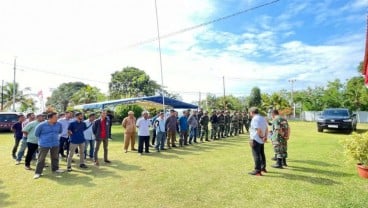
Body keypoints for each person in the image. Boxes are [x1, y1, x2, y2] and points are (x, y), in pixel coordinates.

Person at [34, 112, 64, 179]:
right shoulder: (41, 125)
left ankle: (55, 169)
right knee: (41, 159)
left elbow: (60, 131)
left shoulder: (59, 124)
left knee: (55, 157)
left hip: (55, 143)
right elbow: (36, 134)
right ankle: (38, 172)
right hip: (44, 144)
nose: (57, 118)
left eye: (57, 117)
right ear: (50, 118)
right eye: (55, 117)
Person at [248, 107, 268, 176]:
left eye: (250, 113)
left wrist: (262, 137)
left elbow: (258, 129)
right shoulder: (262, 118)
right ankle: (263, 168)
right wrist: (265, 137)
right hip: (261, 139)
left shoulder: (255, 119)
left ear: (252, 112)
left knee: (256, 155)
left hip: (256, 139)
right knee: (262, 154)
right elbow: (266, 128)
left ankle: (257, 170)